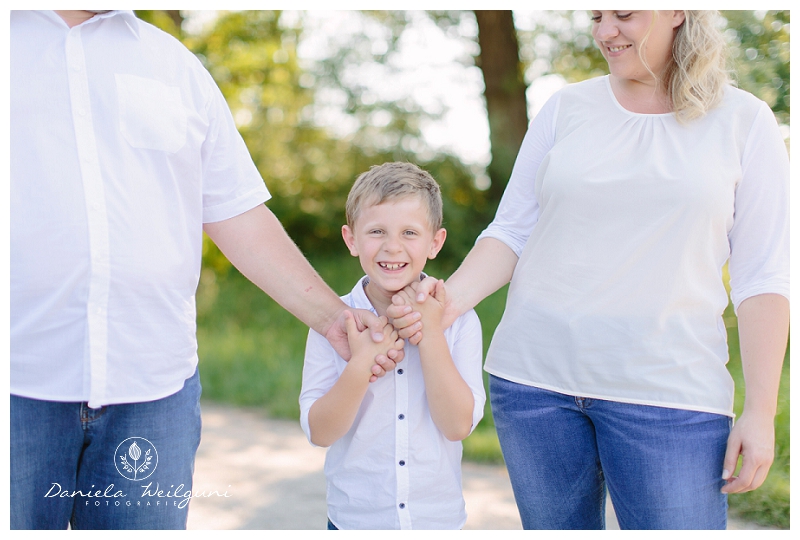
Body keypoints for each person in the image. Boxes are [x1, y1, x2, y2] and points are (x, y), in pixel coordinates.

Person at [388, 10, 789, 530]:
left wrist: (761, 410)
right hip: (534, 385)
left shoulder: (745, 121)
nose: (604, 32)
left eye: (624, 14)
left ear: (677, 11)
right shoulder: (566, 107)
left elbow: (763, 276)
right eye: (597, 15)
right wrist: (441, 308)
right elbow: (511, 231)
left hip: (669, 395)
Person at [10, 10, 401, 530]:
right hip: (16, 382)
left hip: (154, 390)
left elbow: (236, 212)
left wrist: (335, 320)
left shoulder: (173, 64)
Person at [299, 162, 486, 530]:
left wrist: (430, 333)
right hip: (355, 520)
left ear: (435, 242)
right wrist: (360, 365)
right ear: (351, 239)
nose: (392, 246)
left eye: (410, 232)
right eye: (376, 231)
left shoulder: (459, 320)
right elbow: (320, 433)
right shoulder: (335, 322)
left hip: (436, 521)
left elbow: (457, 425)